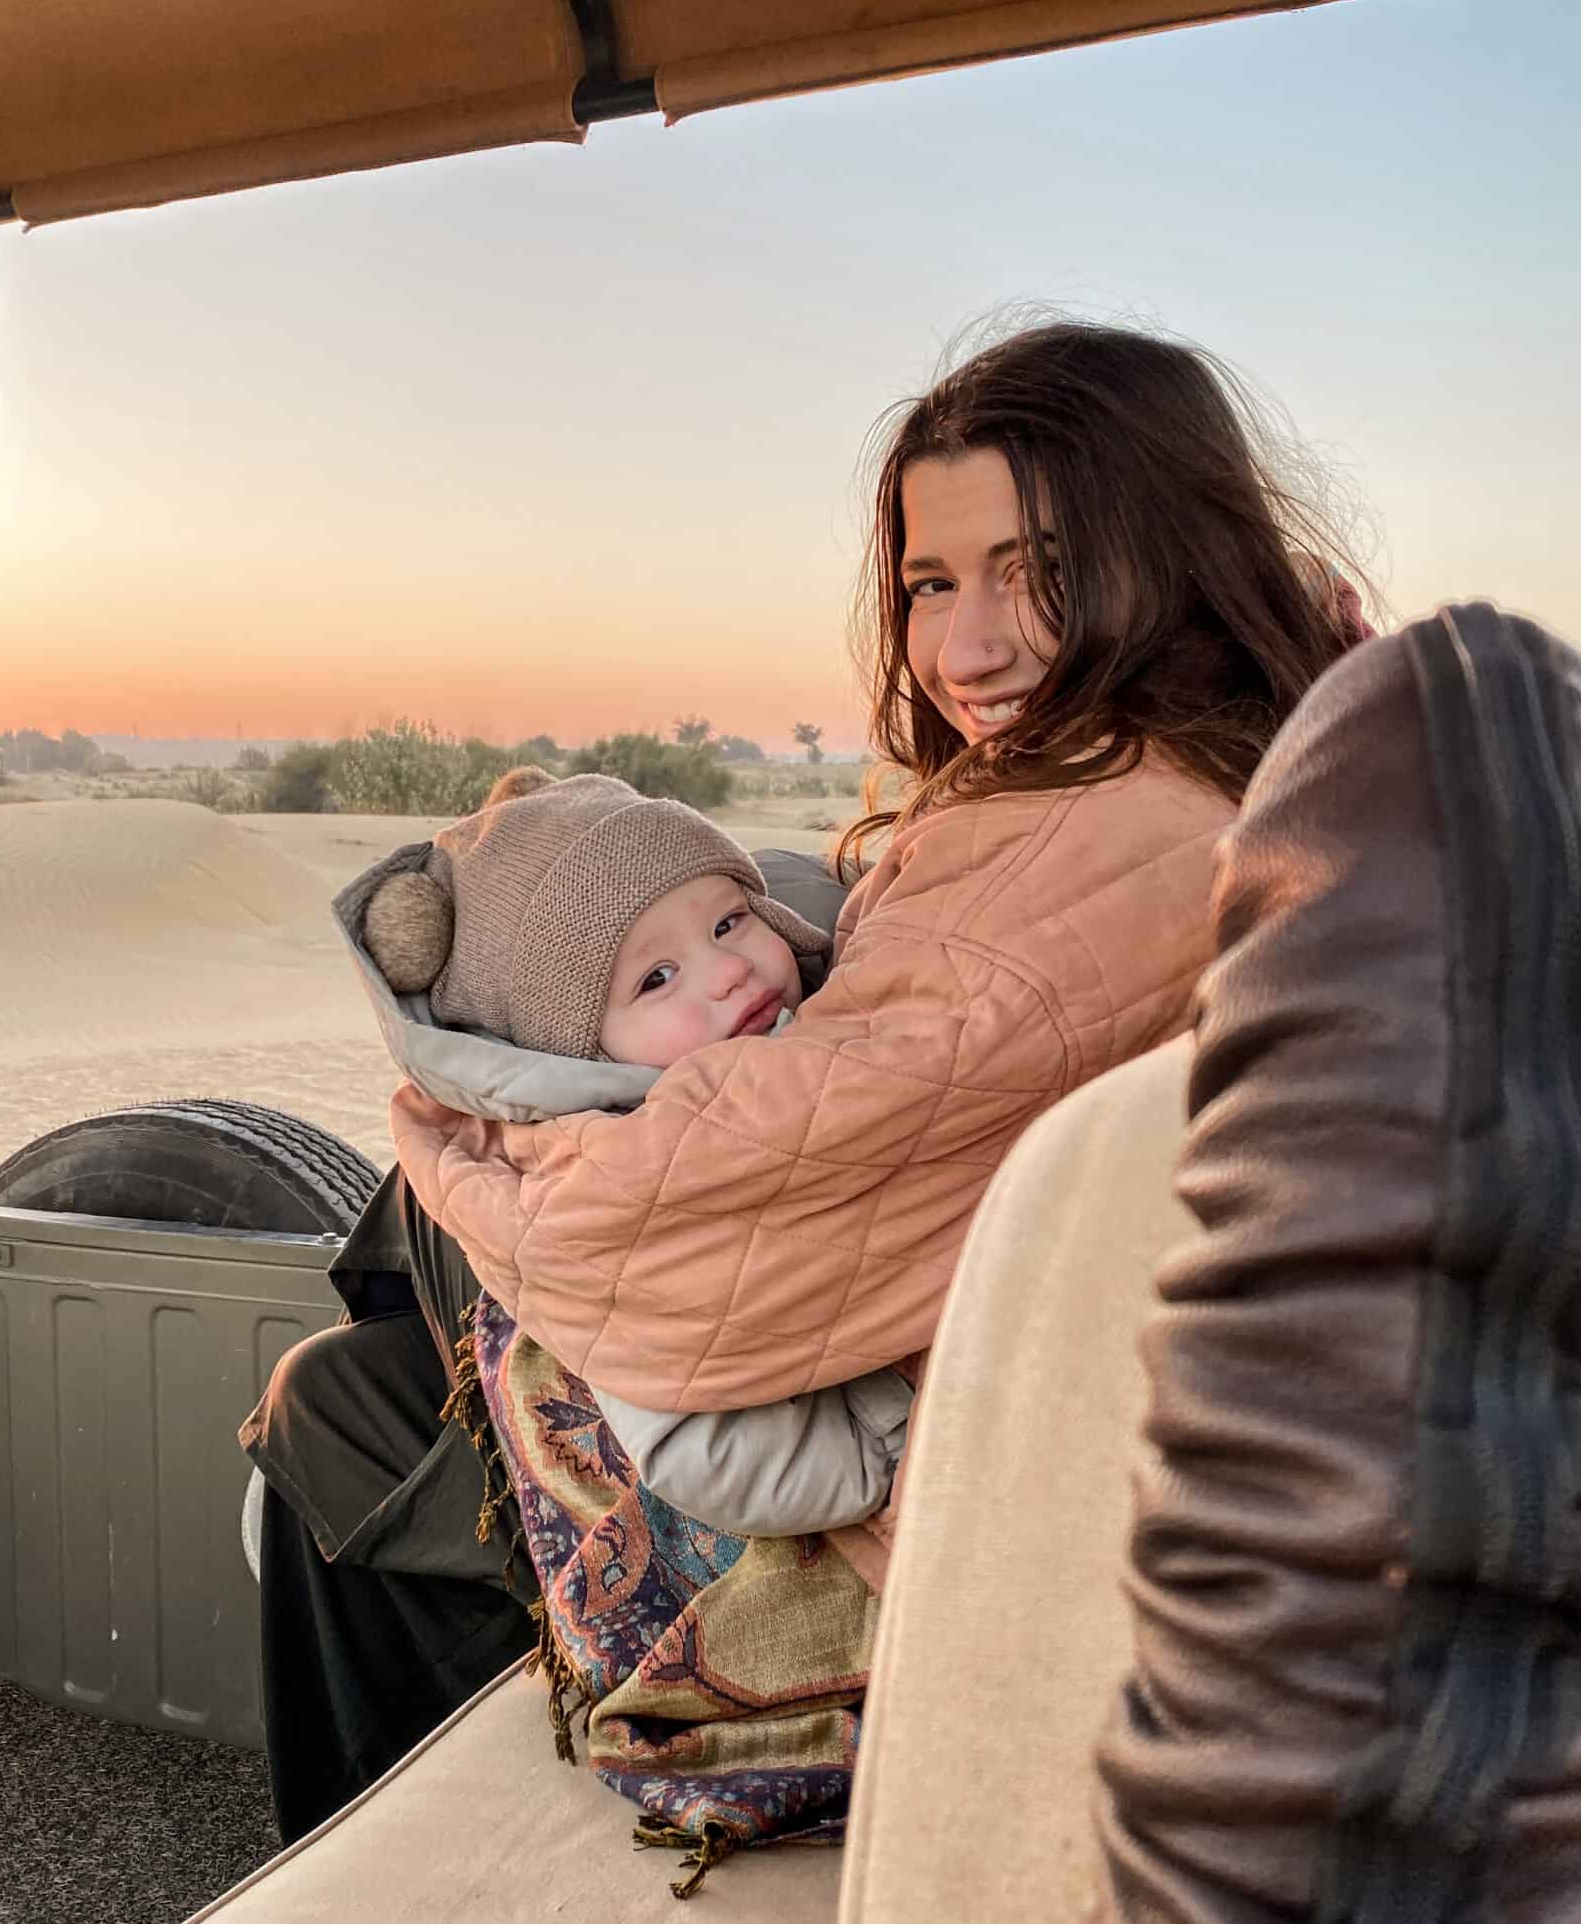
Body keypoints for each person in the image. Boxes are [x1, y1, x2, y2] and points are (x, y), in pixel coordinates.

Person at [246, 316, 1371, 1842]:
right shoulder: (1255, 765)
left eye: (1038, 569)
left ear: (1168, 550)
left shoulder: (1083, 852)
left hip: (959, 1555)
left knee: (344, 1386)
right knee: (376, 1365)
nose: (967, 646)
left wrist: (463, 1112)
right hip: (1067, 1451)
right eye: (930, 583)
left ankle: (379, 1863)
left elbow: (646, 1221)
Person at [343, 765, 918, 1537]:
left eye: (728, 923)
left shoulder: (833, 1018)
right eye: (656, 978)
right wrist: (889, 1441)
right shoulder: (604, 1183)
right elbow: (701, 1450)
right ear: (582, 1055)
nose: (729, 972)